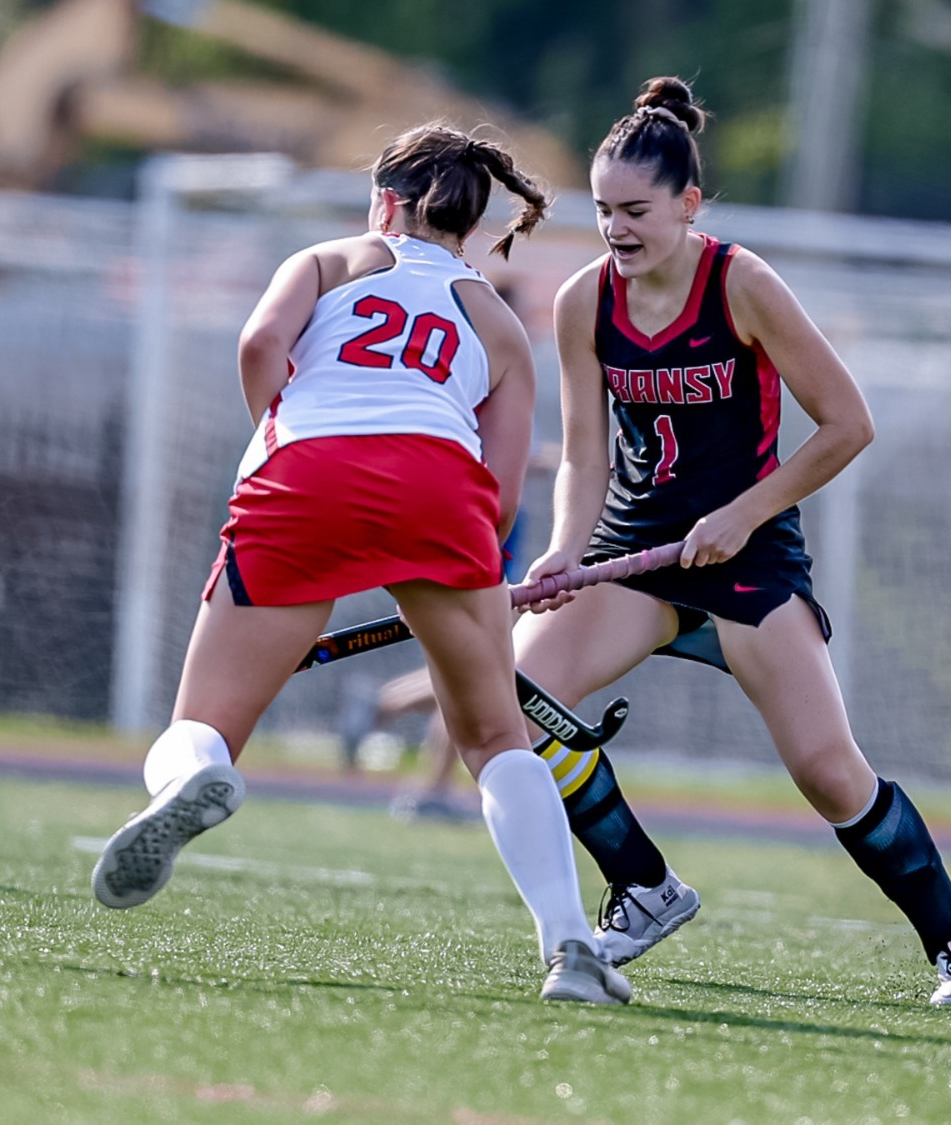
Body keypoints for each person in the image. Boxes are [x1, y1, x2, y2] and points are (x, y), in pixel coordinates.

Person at [89, 124, 630, 1006]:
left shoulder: (326, 260)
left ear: (385, 199)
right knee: (495, 739)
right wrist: (475, 574)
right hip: (440, 489)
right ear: (472, 224)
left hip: (306, 471)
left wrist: (283, 435)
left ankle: (194, 779)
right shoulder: (494, 315)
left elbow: (259, 349)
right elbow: (498, 488)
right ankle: (571, 945)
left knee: (203, 720)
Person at [513, 78, 951, 1007]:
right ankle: (645, 885)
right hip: (637, 551)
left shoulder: (740, 283)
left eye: (637, 211)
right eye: (604, 209)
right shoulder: (583, 302)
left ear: (688, 204)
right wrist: (565, 552)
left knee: (828, 773)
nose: (616, 229)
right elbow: (583, 454)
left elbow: (847, 423)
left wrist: (744, 511)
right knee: (513, 703)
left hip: (747, 558)